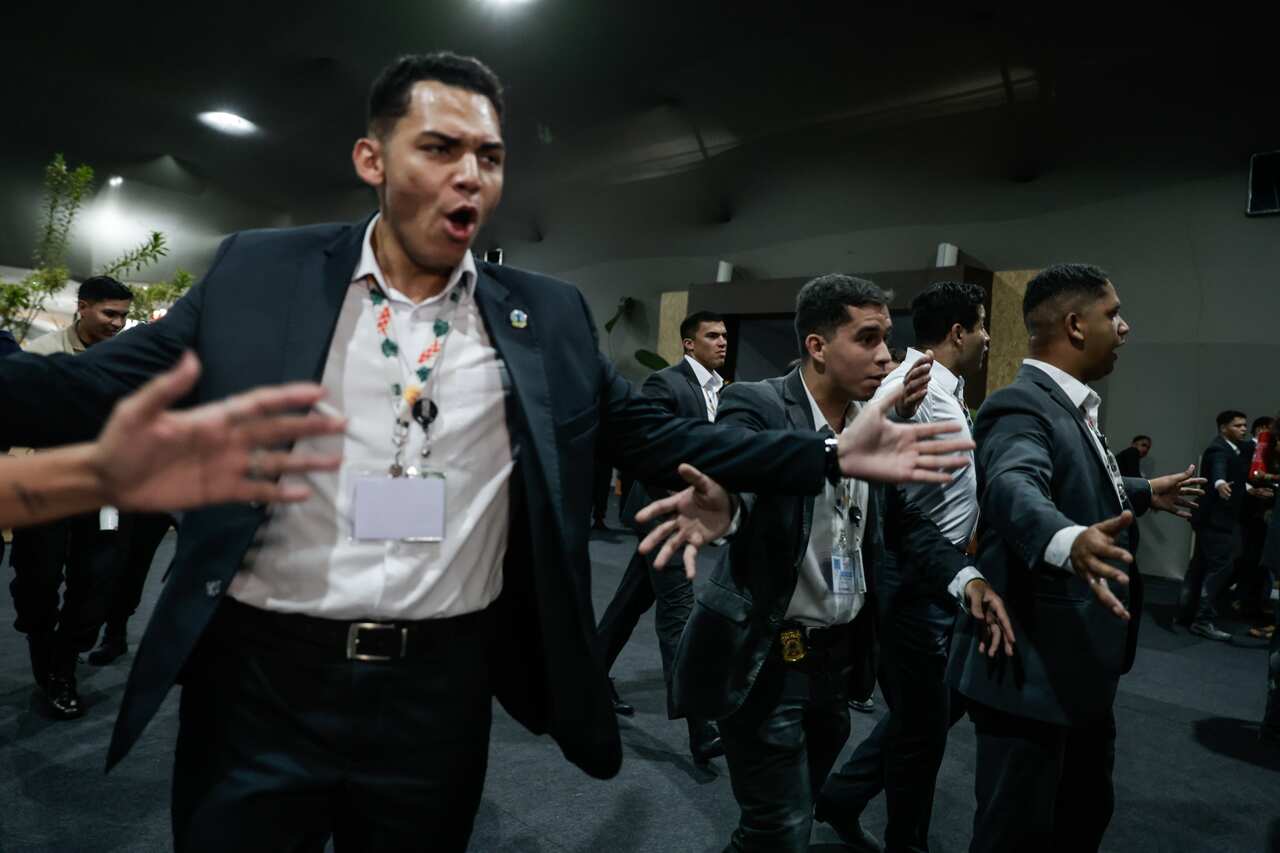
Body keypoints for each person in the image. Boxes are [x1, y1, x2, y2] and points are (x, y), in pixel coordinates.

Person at [0, 53, 972, 852]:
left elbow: (651, 432)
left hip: (436, 693)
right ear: (371, 160)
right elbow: (81, 389)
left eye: (491, 156)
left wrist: (830, 457)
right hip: (260, 680)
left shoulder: (541, 315)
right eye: (440, 147)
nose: (472, 174)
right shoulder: (265, 272)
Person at [634, 274, 1010, 853]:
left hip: (837, 664)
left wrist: (967, 577)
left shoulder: (873, 420)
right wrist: (730, 511)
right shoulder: (756, 401)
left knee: (786, 818)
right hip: (762, 661)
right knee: (780, 828)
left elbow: (905, 521)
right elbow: (747, 472)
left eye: (887, 337)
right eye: (867, 339)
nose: (885, 355)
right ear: (816, 346)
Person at [947, 263, 1204, 853]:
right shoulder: (1020, 405)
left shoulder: (1072, 406)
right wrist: (1067, 540)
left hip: (1077, 670)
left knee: (1082, 817)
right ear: (1075, 325)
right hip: (1031, 675)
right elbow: (1013, 488)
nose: (1125, 327)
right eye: (1112, 314)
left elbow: (1071, 479)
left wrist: (1140, 493)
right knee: (1017, 834)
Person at [817, 280, 990, 853]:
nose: (989, 337)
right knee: (922, 730)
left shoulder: (942, 387)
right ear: (960, 331)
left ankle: (844, 794)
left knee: (930, 713)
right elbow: (888, 505)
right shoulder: (911, 390)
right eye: (984, 325)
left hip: (938, 576)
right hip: (915, 580)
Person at [596, 310, 728, 762]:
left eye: (724, 335)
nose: (722, 342)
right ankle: (701, 725)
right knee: (679, 611)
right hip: (662, 510)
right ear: (689, 344)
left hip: (687, 513)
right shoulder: (666, 384)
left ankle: (588, 674)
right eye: (712, 336)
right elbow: (645, 449)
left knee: (632, 599)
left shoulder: (717, 391)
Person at [10, 275, 136, 718]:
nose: (118, 323)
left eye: (123, 315)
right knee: (38, 580)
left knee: (97, 583)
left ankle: (64, 661)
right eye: (109, 313)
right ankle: (48, 660)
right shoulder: (42, 357)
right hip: (45, 490)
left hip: (104, 495)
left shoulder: (130, 361)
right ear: (82, 307)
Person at [1180, 410, 1252, 640]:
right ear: (1223, 428)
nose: (1243, 429)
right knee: (1219, 569)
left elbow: (1236, 478)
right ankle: (1202, 620)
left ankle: (1185, 615)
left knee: (1199, 567)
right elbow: (1218, 471)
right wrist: (1219, 483)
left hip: (1210, 520)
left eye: (1244, 425)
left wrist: (1250, 489)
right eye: (1238, 425)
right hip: (1217, 522)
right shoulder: (1218, 449)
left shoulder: (1235, 449)